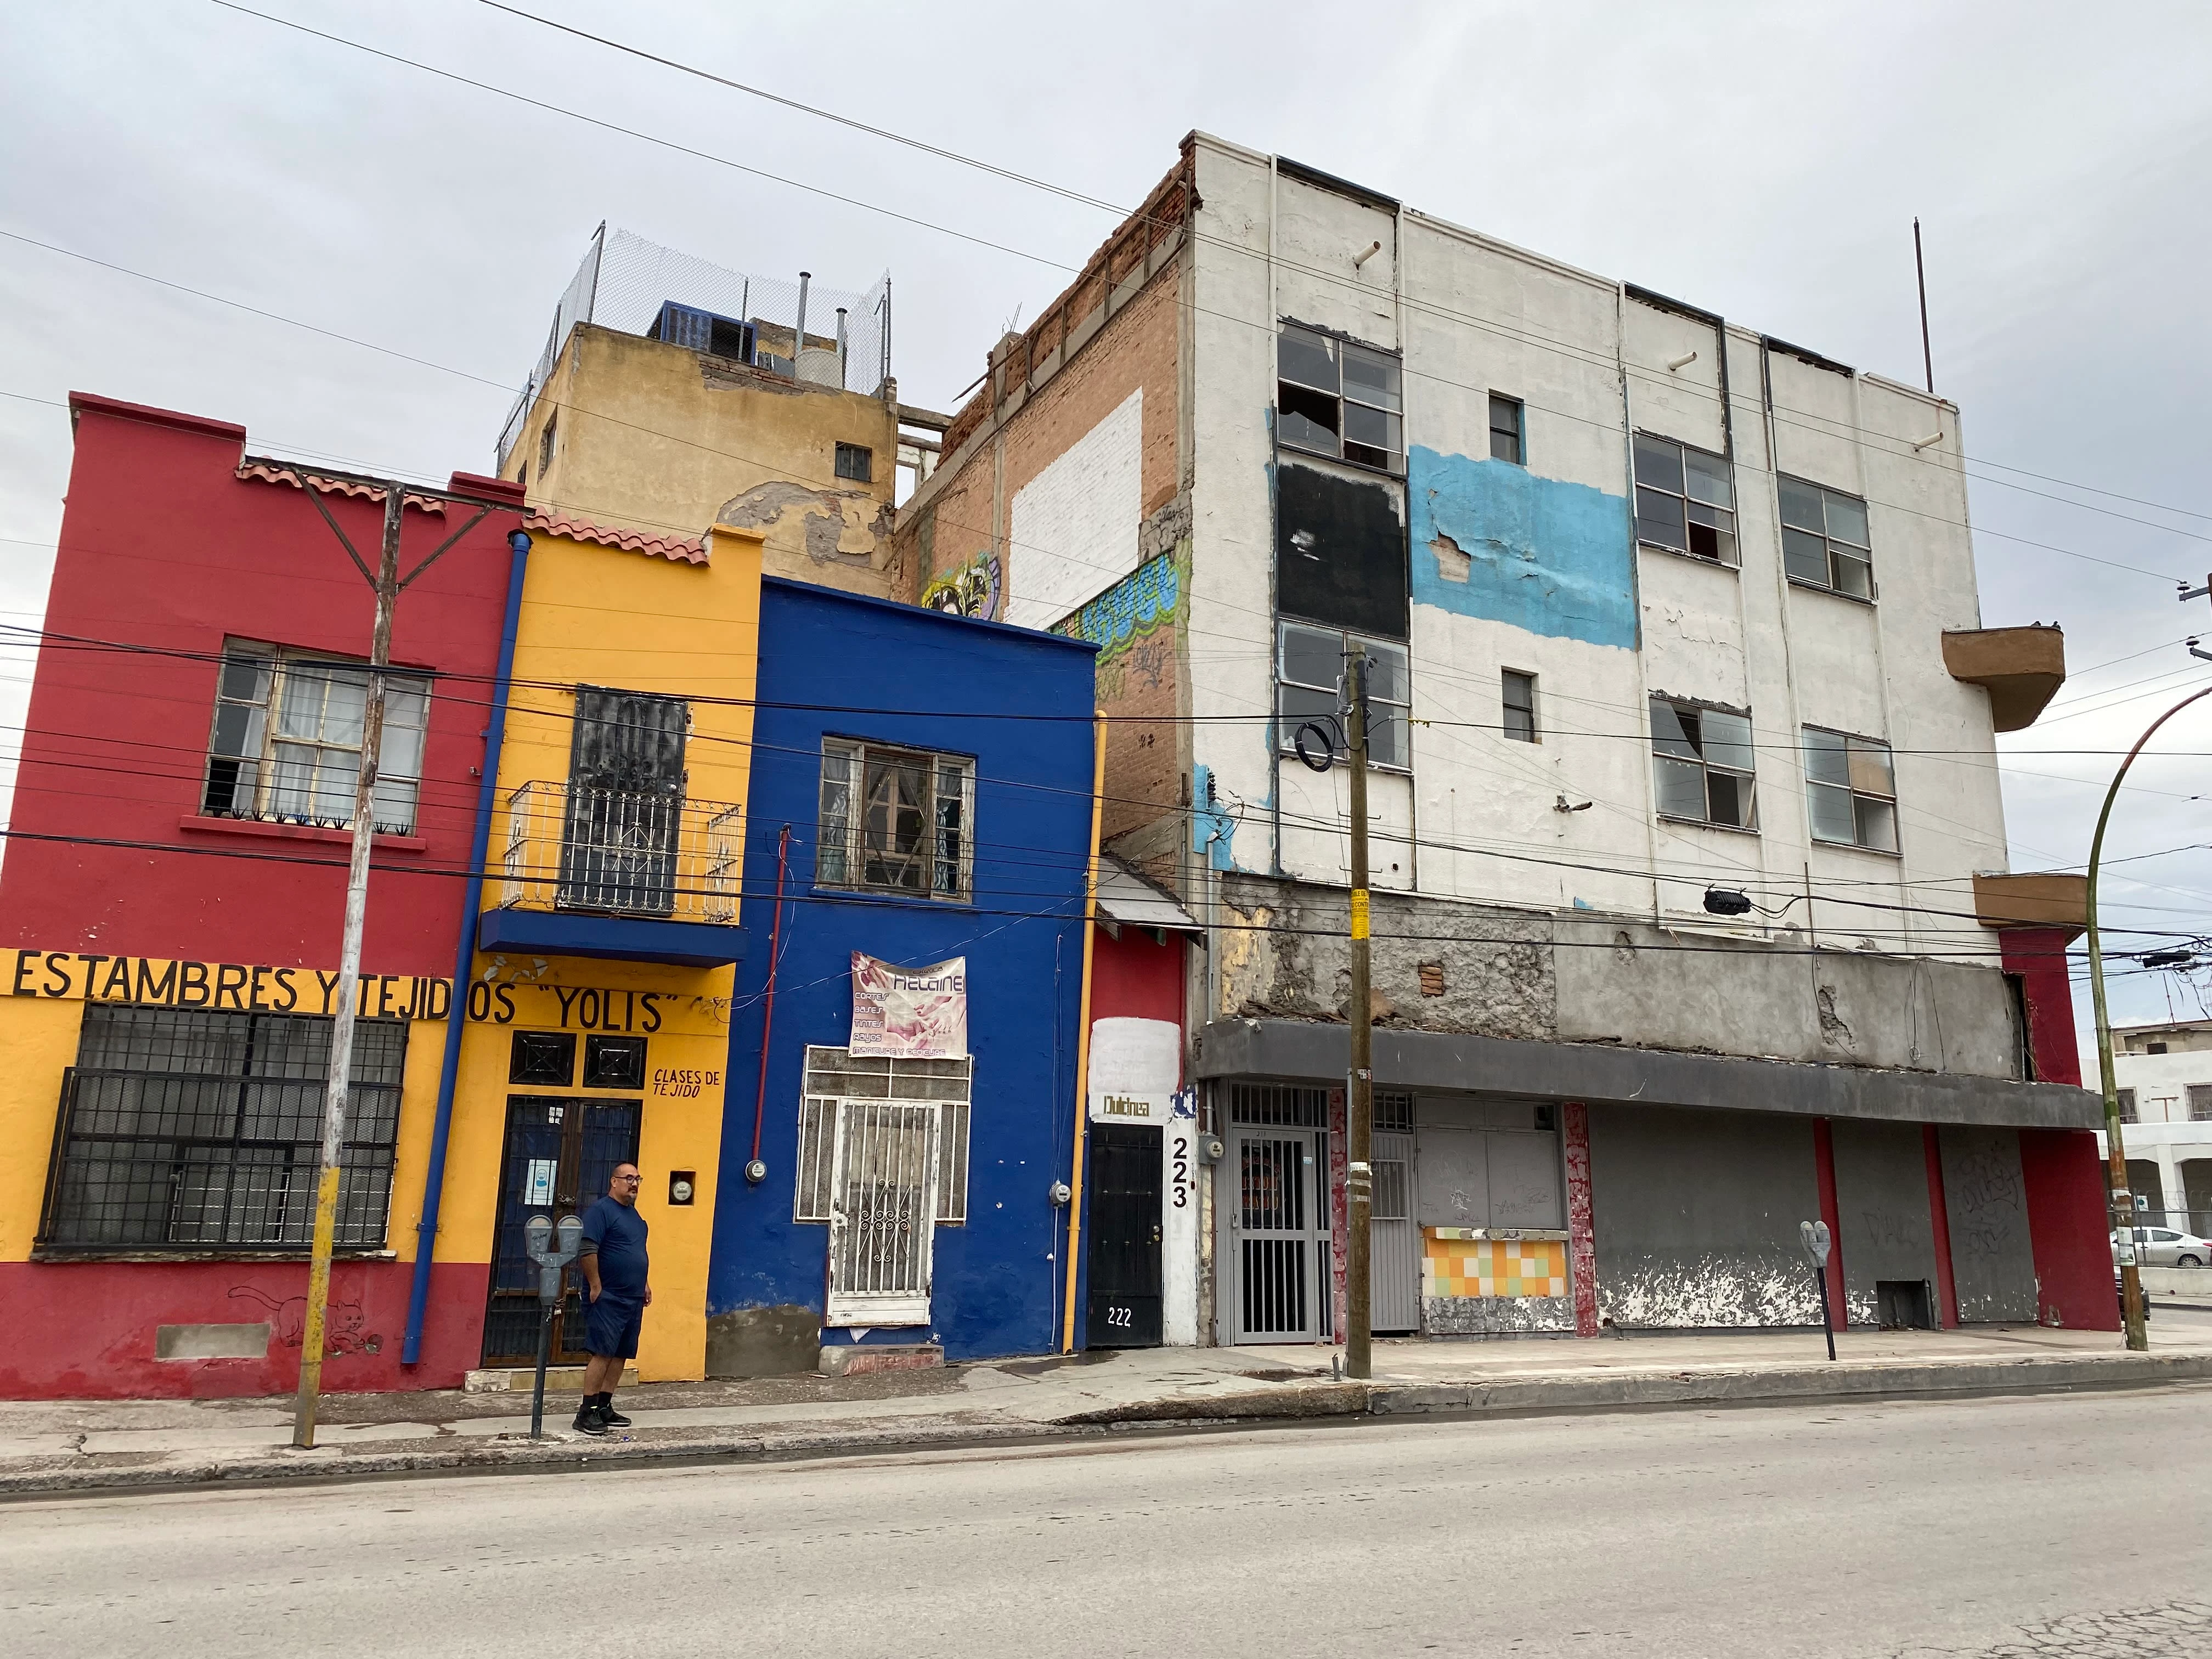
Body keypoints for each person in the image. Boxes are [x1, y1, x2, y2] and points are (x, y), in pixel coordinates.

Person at [573, 1163, 651, 1436]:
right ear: (613, 1182)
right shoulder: (600, 1211)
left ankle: (605, 1406)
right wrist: (595, 1285)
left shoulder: (634, 1216)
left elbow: (636, 1253)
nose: (634, 1184)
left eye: (638, 1179)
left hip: (633, 1297)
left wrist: (645, 1284)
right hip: (608, 1296)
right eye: (628, 1178)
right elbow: (587, 1249)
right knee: (603, 1353)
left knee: (621, 1354)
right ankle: (587, 1412)